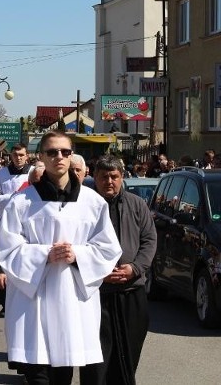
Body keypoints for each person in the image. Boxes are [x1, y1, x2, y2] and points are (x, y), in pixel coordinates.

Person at [0, 130, 122, 385]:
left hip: (71, 301)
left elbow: (108, 249)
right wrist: (45, 254)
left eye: (65, 152)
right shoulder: (21, 202)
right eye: (52, 152)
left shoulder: (92, 202)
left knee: (63, 373)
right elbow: (8, 249)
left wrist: (77, 254)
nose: (59, 157)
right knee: (38, 374)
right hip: (33, 302)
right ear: (40, 156)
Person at [80, 155, 157, 385]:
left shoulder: (137, 204)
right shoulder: (85, 206)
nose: (109, 182)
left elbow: (149, 240)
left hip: (131, 291)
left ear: (122, 177)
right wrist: (97, 270)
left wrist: (134, 268)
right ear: (95, 177)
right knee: (95, 362)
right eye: (104, 177)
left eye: (114, 177)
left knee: (128, 357)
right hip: (97, 294)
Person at [0, 143, 32, 215]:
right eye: (15, 155)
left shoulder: (34, 172)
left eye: (21, 155)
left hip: (29, 214)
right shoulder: (1, 173)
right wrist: (12, 198)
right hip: (8, 216)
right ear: (11, 156)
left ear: (27, 156)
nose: (18, 158)